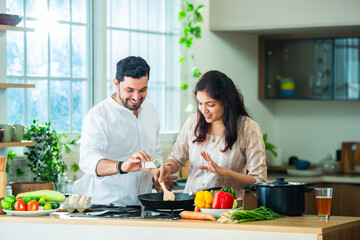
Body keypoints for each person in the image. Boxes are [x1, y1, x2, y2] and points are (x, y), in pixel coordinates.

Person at [152, 70, 267, 203]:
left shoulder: (247, 128)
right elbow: (177, 158)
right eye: (200, 103)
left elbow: (258, 181)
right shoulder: (193, 122)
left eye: (210, 104)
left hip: (226, 211)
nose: (203, 110)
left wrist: (223, 172)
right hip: (191, 206)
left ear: (226, 101)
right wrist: (168, 168)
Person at [73, 56, 164, 206]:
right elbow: (88, 161)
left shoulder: (150, 110)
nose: (136, 97)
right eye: (130, 90)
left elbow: (156, 151)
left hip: (143, 207)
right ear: (116, 83)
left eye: (142, 90)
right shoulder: (98, 116)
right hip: (107, 207)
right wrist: (121, 166)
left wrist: (157, 173)